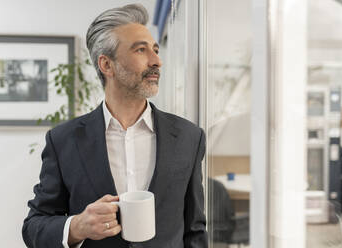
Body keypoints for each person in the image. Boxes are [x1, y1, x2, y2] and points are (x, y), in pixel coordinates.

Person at [22, 4, 207, 248]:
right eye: (141, 50)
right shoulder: (63, 140)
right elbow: (34, 226)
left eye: (155, 50)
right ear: (106, 65)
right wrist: (77, 226)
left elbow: (195, 231)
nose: (156, 61)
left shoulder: (188, 137)